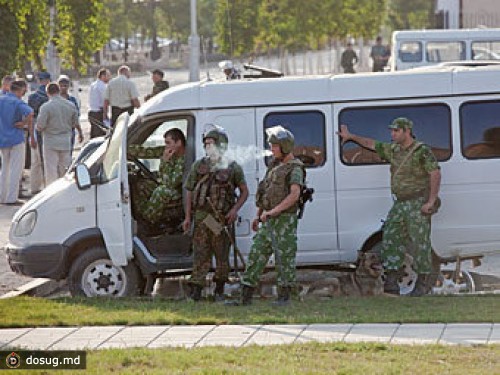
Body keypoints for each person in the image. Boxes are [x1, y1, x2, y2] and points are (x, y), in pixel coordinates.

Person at [337, 117, 441, 297]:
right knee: (391, 237)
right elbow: (371, 144)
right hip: (400, 203)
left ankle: (423, 283)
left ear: (407, 131)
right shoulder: (394, 150)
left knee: (420, 243)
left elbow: (435, 173)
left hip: (417, 202)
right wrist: (351, 136)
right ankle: (392, 280)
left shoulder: (421, 151)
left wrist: (430, 201)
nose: (392, 134)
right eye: (392, 130)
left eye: (396, 131)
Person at [237, 126, 304, 306]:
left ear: (285, 147)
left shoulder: (295, 168)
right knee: (256, 254)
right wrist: (258, 215)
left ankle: (285, 297)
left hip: (284, 222)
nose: (271, 149)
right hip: (268, 220)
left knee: (284, 260)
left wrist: (272, 212)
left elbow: (294, 195)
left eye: (274, 146)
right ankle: (245, 296)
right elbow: (266, 192)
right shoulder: (274, 166)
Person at [182, 125, 248, 301]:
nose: (207, 147)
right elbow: (189, 190)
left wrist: (234, 210)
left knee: (221, 255)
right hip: (202, 217)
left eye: (211, 143)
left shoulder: (233, 167)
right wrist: (188, 217)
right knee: (201, 254)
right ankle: (196, 289)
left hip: (220, 219)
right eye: (206, 144)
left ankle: (219, 289)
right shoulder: (199, 166)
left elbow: (244, 192)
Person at [128, 128, 186, 230]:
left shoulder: (184, 159)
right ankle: (142, 214)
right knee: (140, 185)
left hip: (178, 190)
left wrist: (165, 161)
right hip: (165, 184)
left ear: (179, 143)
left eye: (168, 143)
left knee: (161, 191)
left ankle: (149, 220)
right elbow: (147, 152)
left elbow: (170, 183)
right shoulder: (169, 151)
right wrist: (124, 148)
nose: (166, 146)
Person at [36, 82, 83, 185]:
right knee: (65, 168)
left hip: (50, 141)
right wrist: (80, 133)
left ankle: (51, 192)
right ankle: (65, 189)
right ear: (58, 90)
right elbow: (75, 122)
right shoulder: (70, 105)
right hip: (65, 140)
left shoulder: (46, 107)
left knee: (51, 170)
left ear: (47, 92)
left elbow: (40, 126)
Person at [0, 79, 34, 205]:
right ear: (20, 90)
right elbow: (30, 112)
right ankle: (12, 197)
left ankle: (1, 196)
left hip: (2, 138)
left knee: (4, 168)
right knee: (16, 168)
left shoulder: (1, 99)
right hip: (15, 137)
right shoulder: (17, 102)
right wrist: (24, 123)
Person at [28, 71, 51, 195]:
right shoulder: (50, 96)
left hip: (34, 131)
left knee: (35, 162)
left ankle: (34, 187)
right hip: (47, 132)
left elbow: (30, 117)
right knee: (47, 161)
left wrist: (31, 135)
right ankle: (47, 186)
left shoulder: (32, 97)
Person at [57, 75, 80, 155]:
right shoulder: (54, 100)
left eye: (65, 85)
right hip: (57, 130)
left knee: (68, 153)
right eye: (61, 85)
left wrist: (79, 131)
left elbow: (76, 116)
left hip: (69, 130)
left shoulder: (72, 100)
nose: (63, 87)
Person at [88, 68, 111, 138]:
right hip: (98, 113)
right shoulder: (102, 86)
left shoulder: (93, 85)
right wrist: (105, 114)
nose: (109, 78)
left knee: (93, 134)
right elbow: (105, 101)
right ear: (103, 76)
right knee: (100, 136)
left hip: (91, 112)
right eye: (108, 75)